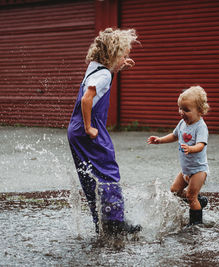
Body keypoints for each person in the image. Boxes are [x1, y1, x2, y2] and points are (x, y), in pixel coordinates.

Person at [67, 28, 141, 235]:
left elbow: (94, 84)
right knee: (108, 170)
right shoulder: (104, 75)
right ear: (112, 55)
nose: (126, 58)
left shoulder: (95, 68)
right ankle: (115, 223)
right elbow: (87, 98)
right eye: (123, 55)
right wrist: (89, 126)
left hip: (75, 130)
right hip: (88, 127)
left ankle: (101, 221)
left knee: (91, 176)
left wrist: (119, 67)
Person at [147, 86, 210, 225]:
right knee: (174, 190)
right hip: (185, 170)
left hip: (198, 170)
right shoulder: (182, 123)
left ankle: (196, 223)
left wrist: (191, 148)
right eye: (180, 108)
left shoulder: (200, 127)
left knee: (191, 196)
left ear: (200, 111)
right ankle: (199, 201)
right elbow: (174, 135)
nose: (181, 112)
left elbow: (201, 145)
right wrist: (160, 140)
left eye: (186, 110)